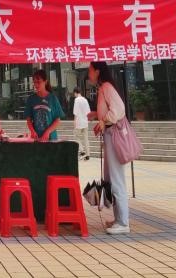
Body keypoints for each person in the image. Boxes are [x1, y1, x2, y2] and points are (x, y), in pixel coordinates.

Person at [87, 61, 130, 235]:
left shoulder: (106, 87)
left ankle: (123, 222)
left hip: (114, 137)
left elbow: (119, 109)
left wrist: (103, 121)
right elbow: (110, 110)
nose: (89, 73)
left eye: (90, 70)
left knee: (116, 178)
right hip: (110, 137)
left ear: (97, 71)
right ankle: (119, 219)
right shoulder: (104, 87)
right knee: (112, 178)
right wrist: (97, 116)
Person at [24, 70, 64, 142]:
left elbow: (57, 120)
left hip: (51, 138)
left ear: (45, 82)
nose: (36, 85)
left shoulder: (53, 98)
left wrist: (47, 132)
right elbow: (28, 119)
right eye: (34, 82)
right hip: (36, 138)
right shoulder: (31, 99)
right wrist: (32, 131)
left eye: (38, 82)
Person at [72, 87, 91, 160]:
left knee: (76, 136)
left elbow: (75, 112)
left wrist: (74, 122)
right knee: (86, 138)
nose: (74, 95)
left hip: (79, 122)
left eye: (74, 93)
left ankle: (82, 151)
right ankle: (88, 154)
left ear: (75, 92)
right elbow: (88, 112)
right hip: (85, 122)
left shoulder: (77, 100)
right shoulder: (85, 100)